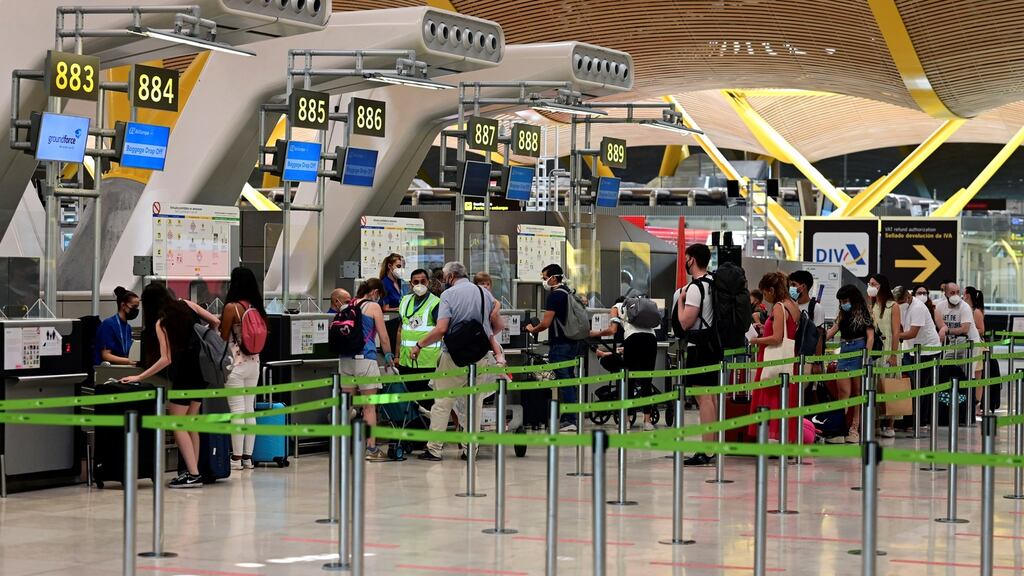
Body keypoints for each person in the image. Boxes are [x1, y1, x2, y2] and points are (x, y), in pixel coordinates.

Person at [123, 284, 219, 489]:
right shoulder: (186, 305)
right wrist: (204, 342)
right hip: (202, 372)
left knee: (176, 423)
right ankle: (195, 471)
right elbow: (215, 321)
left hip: (184, 375)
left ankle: (192, 474)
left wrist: (139, 376)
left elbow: (166, 359)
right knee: (191, 424)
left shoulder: (161, 322)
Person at [411, 262, 505, 461]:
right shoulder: (484, 293)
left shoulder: (448, 295)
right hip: (480, 356)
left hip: (453, 356)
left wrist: (419, 345)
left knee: (442, 403)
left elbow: (441, 329)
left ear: (451, 276)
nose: (444, 279)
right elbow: (496, 325)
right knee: (475, 403)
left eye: (445, 276)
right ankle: (470, 449)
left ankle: (434, 449)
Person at [676, 244, 724, 465]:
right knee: (711, 397)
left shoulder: (695, 288)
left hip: (700, 345)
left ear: (692, 260)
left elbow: (685, 322)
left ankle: (706, 450)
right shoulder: (715, 283)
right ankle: (712, 447)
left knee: (703, 398)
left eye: (686, 258)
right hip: (715, 344)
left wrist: (681, 300)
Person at [339, 278, 393, 461]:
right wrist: (388, 357)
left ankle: (342, 445)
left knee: (347, 405)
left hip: (345, 360)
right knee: (369, 407)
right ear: (375, 292)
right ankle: (370, 449)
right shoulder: (373, 307)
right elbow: (384, 338)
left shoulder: (347, 305)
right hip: (365, 360)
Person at [219, 267, 267, 470]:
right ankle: (247, 458)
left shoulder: (232, 308)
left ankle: (236, 459)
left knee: (237, 411)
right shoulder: (257, 306)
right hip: (254, 363)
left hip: (235, 365)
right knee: (249, 409)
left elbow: (222, 336)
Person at [526, 264, 582, 432]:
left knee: (564, 382)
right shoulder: (568, 292)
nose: (544, 281)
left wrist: (532, 329)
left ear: (554, 278)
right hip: (573, 341)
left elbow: (545, 323)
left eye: (545, 278)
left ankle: (571, 419)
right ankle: (573, 416)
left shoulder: (554, 296)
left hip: (560, 344)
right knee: (571, 381)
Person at [592, 296, 658, 431]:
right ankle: (647, 421)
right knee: (647, 380)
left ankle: (626, 420)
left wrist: (595, 333)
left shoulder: (616, 307)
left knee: (629, 380)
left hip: (633, 340)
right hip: (651, 340)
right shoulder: (638, 305)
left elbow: (613, 330)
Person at [747, 272, 800, 442]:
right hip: (788, 358)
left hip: (773, 358)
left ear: (771, 290)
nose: (765, 297)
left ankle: (772, 438)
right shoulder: (792, 305)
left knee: (771, 398)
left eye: (765, 293)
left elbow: (777, 337)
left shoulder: (778, 307)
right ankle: (785, 438)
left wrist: (756, 340)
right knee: (785, 398)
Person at [824, 285, 875, 444]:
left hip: (859, 350)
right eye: (841, 301)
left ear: (852, 299)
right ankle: (840, 428)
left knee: (858, 392)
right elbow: (832, 331)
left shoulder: (864, 313)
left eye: (845, 300)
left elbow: (870, 336)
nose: (843, 303)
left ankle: (854, 428)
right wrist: (817, 340)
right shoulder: (842, 314)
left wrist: (866, 356)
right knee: (843, 392)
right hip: (845, 351)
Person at [895, 285, 941, 427]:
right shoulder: (903, 307)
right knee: (913, 386)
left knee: (921, 388)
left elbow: (912, 333)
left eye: (902, 301)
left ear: (908, 297)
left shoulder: (918, 308)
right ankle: (912, 419)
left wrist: (893, 336)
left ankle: (919, 421)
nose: (900, 304)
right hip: (911, 350)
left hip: (928, 351)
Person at [397, 269, 442, 412]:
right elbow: (400, 330)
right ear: (410, 284)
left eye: (423, 281)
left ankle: (429, 430)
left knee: (427, 401)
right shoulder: (404, 301)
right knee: (410, 401)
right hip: (405, 360)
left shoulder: (435, 303)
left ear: (428, 282)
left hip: (427, 361)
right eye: (416, 282)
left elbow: (441, 330)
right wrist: (396, 355)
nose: (419, 285)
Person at [867, 274, 901, 438]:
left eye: (874, 283)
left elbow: (896, 332)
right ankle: (877, 423)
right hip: (876, 351)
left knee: (890, 384)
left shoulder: (892, 306)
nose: (870, 286)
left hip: (889, 349)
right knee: (875, 385)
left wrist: (893, 355)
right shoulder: (872, 305)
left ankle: (890, 424)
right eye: (869, 283)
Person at [95, 286, 140, 366]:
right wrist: (129, 361)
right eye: (134, 307)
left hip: (123, 366)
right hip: (109, 369)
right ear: (123, 305)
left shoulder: (127, 327)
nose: (136, 310)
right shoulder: (108, 324)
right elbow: (106, 355)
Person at [788, 270, 825, 363]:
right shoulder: (789, 306)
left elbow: (819, 336)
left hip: (808, 359)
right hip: (790, 356)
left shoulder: (816, 308)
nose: (790, 288)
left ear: (803, 287)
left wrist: (817, 361)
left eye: (793, 284)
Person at [964, 286, 987, 413]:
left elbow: (982, 329)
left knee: (977, 377)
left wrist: (968, 329)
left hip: (977, 346)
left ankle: (977, 405)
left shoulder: (975, 311)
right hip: (968, 345)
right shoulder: (966, 309)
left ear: (967, 295)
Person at [934, 282, 974, 351]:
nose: (956, 295)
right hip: (950, 345)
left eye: (958, 292)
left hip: (968, 345)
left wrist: (947, 331)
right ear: (946, 294)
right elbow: (939, 325)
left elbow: (965, 329)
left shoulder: (965, 307)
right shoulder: (940, 306)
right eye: (952, 293)